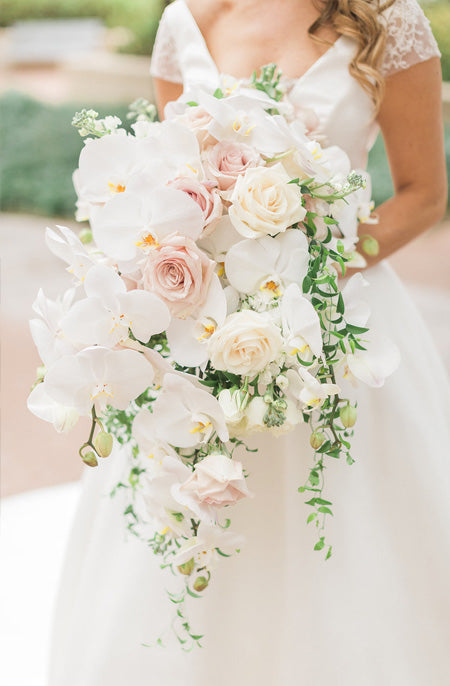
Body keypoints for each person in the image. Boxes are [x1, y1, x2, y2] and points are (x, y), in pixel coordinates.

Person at [48, 1, 450, 684]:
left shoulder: (388, 18)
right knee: (194, 516)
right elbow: (166, 181)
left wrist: (308, 269)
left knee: (347, 538)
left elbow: (424, 193)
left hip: (339, 330)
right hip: (202, 333)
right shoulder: (188, 21)